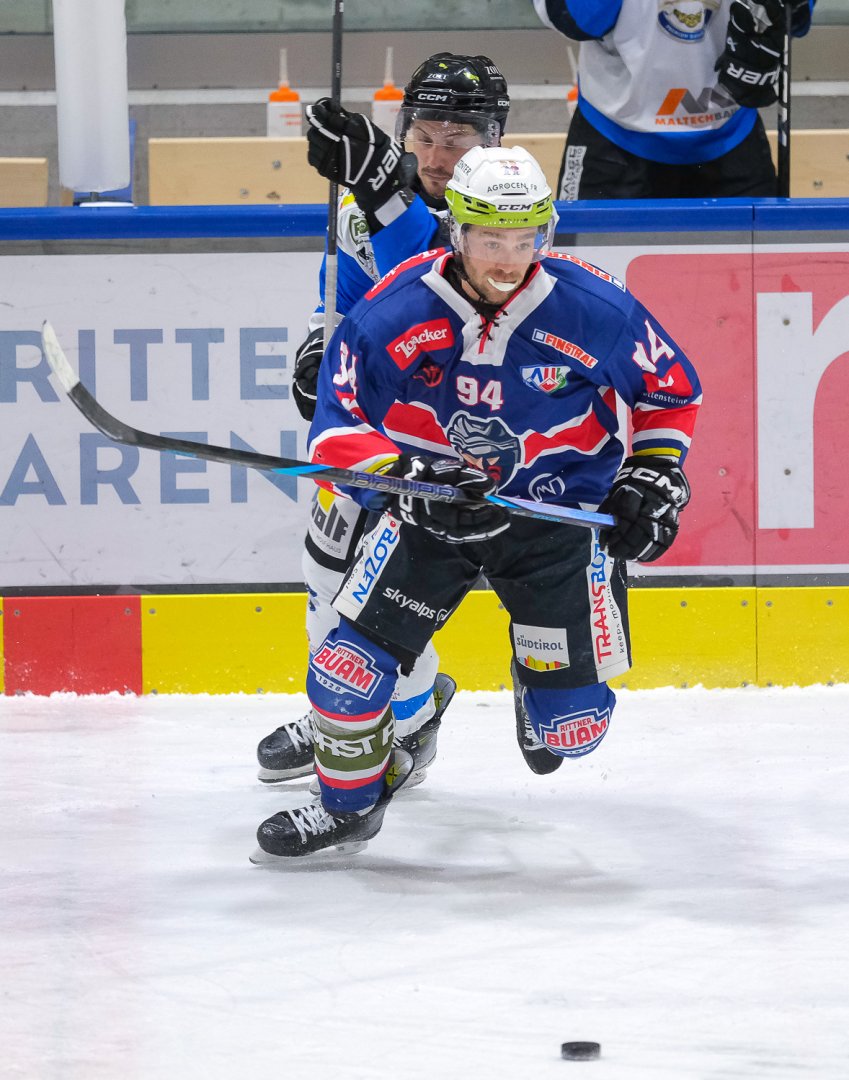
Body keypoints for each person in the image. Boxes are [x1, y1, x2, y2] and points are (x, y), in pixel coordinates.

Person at [253, 145, 702, 860]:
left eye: (525, 239)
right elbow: (336, 428)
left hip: (555, 524)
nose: (509, 260)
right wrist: (404, 478)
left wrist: (652, 474)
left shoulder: (594, 308)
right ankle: (349, 806)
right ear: (457, 231)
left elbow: (669, 394)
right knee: (345, 673)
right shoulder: (396, 308)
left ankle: (538, 675)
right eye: (491, 239)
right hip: (435, 515)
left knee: (571, 732)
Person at [256, 53, 521, 789]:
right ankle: (350, 713)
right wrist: (321, 349)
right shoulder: (362, 207)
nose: (435, 157)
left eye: (456, 140)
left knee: (385, 598)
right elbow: (345, 301)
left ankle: (404, 720)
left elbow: (446, 293)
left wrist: (383, 194)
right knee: (324, 576)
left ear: (493, 140)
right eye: (423, 137)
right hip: (369, 434)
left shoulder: (507, 214)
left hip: (451, 446)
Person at [532, 0, 816, 199]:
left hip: (730, 134)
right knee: (588, 266)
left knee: (753, 268)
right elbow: (574, 19)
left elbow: (795, 16)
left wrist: (785, 10)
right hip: (614, 138)